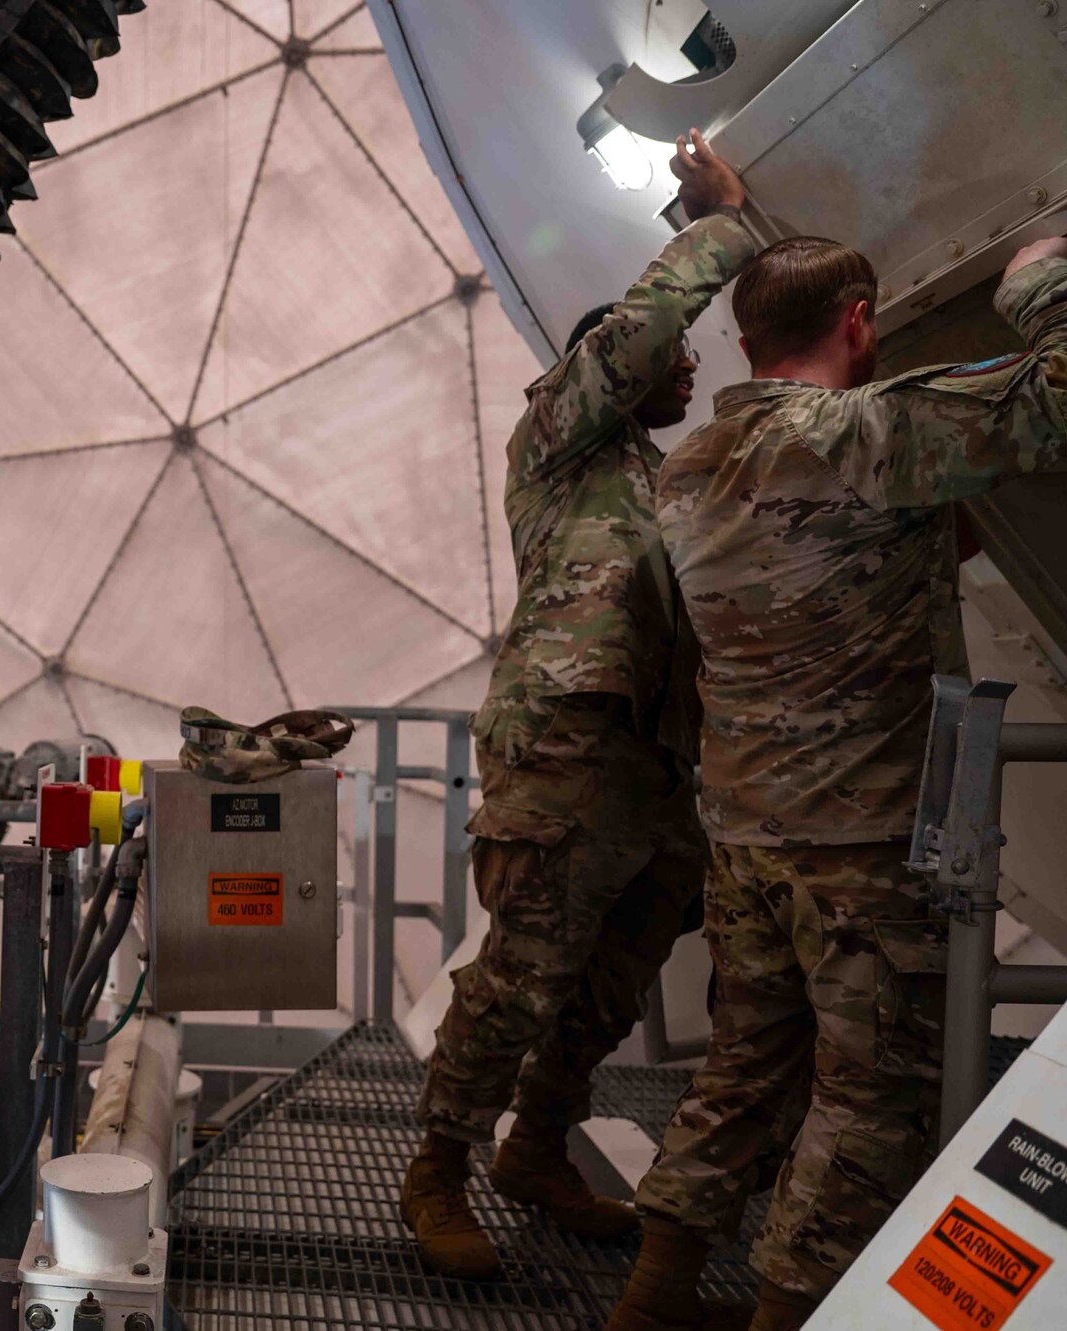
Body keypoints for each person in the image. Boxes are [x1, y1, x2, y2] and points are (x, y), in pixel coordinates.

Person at [608, 232, 1067, 1331]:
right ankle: (785, 1313)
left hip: (746, 836)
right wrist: (1038, 274)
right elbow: (1054, 395)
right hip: (862, 844)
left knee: (745, 1069)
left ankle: (652, 1293)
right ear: (856, 321)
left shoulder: (691, 464)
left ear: (744, 337)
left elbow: (830, 559)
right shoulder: (863, 430)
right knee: (874, 1098)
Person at [401, 130, 757, 1283]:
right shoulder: (557, 436)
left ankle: (536, 1147)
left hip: (654, 766)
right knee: (521, 972)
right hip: (563, 747)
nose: (689, 369)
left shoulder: (660, 482)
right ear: (604, 367)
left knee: (613, 974)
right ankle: (438, 1166)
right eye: (670, 360)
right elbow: (639, 331)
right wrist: (714, 226)